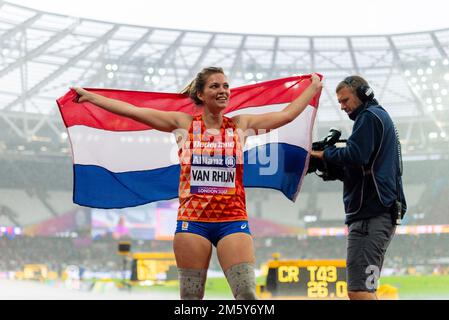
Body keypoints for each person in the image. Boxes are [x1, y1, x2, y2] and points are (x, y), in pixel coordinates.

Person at [73, 67, 322, 300]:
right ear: (201, 94)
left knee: (247, 294)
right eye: (215, 86)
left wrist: (312, 88)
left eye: (226, 85)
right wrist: (92, 98)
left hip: (232, 221)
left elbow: (286, 115)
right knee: (191, 299)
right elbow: (133, 111)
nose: (223, 90)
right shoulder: (184, 125)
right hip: (193, 223)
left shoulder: (240, 125)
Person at [310, 75, 406, 300]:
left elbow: (356, 155)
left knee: (359, 290)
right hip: (378, 213)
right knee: (365, 289)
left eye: (345, 101)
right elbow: (365, 166)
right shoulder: (379, 117)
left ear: (363, 94)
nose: (342, 107)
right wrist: (333, 168)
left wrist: (324, 154)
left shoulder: (368, 117)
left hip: (370, 216)